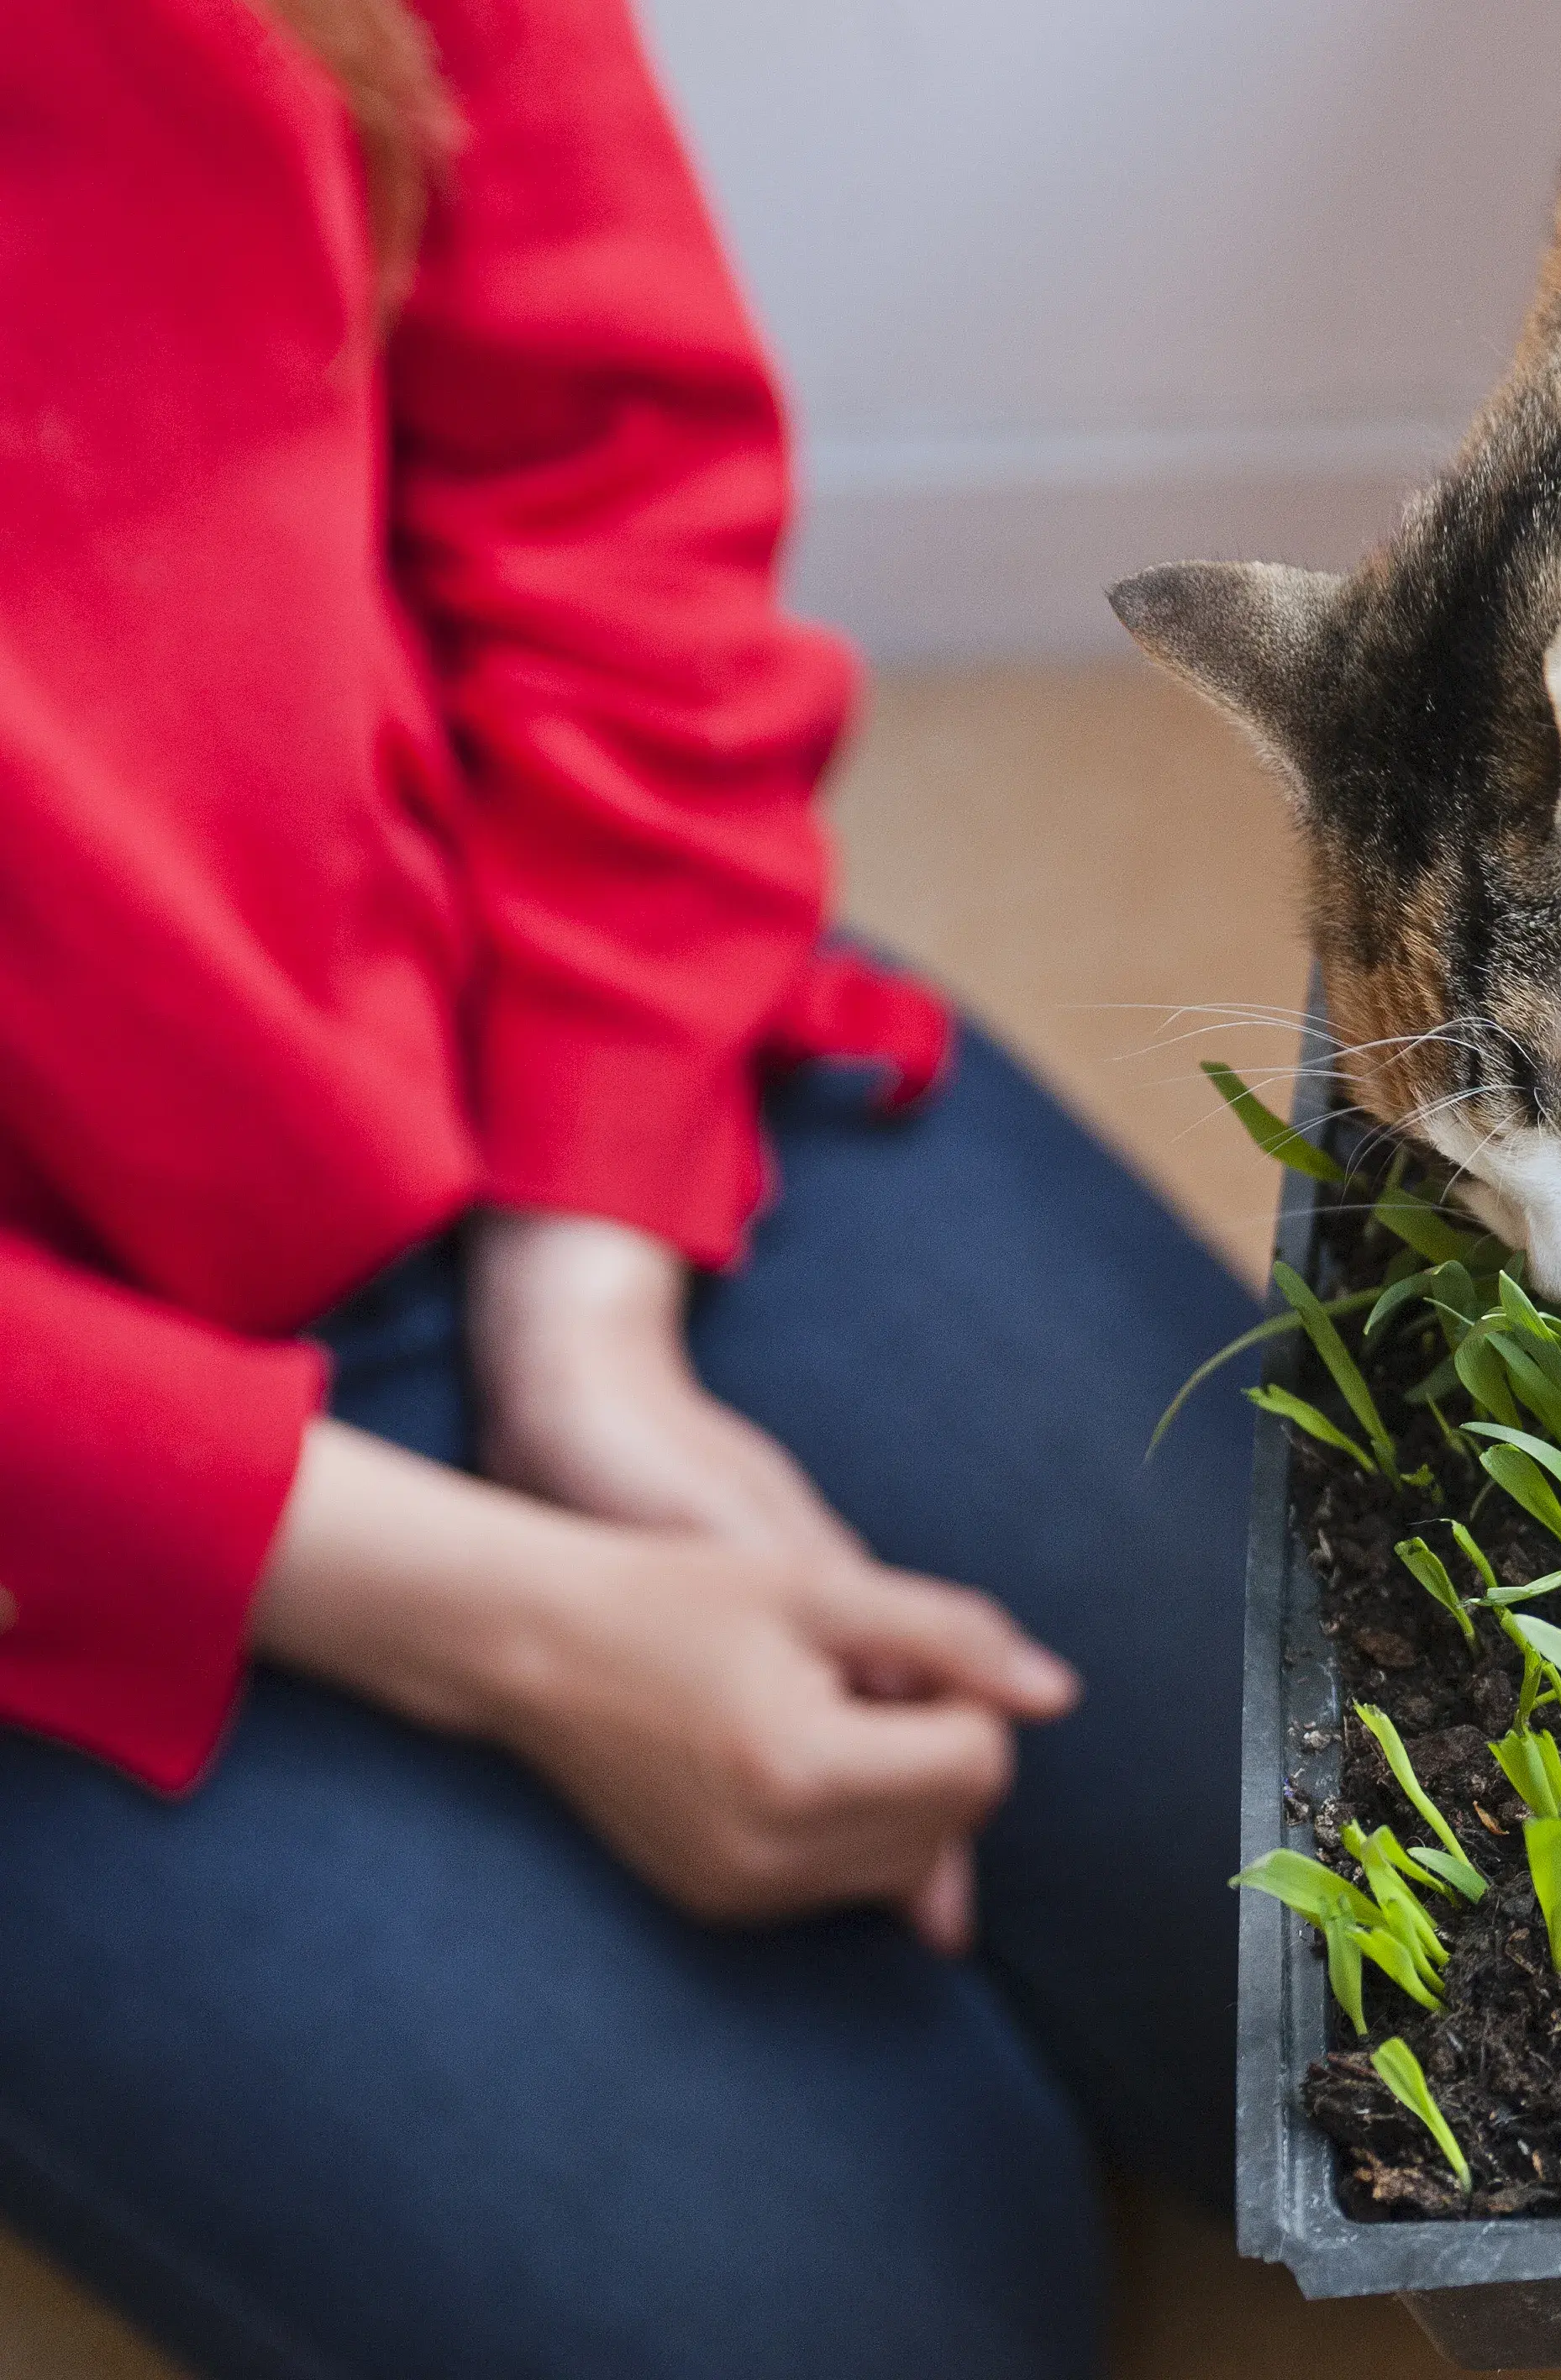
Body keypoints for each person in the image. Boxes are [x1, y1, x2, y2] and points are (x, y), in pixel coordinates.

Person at [0, 4, 1257, 2373]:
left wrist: (588, 1315)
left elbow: (603, 471)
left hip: (497, 1042)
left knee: (1514, 1950)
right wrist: (512, 1628)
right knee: (865, 2323)